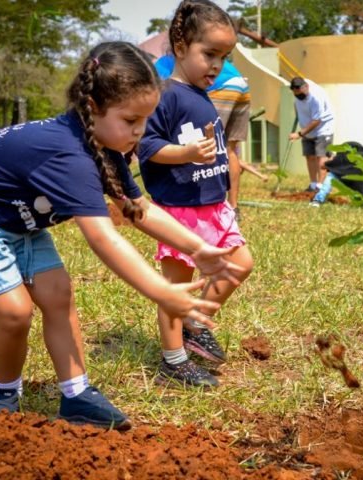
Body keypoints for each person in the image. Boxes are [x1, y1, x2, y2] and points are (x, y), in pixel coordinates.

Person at [0, 41, 243, 429]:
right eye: (131, 121)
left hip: (17, 217)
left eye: (146, 121)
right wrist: (162, 292)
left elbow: (138, 209)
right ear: (93, 106)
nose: (139, 132)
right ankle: (4, 395)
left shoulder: (104, 145)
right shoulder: (69, 155)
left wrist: (198, 248)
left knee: (58, 293)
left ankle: (76, 395)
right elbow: (104, 238)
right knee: (15, 312)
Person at [138, 0, 254, 388]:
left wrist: (227, 198)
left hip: (213, 208)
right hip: (179, 210)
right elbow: (146, 147)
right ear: (180, 44)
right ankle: (174, 359)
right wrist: (186, 153)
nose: (217, 65)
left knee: (240, 264)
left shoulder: (204, 96)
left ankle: (193, 321)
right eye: (209, 54)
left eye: (224, 57)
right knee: (177, 286)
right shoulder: (165, 95)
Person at [154, 55, 266, 220]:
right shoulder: (193, 54)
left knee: (208, 142)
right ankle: (233, 208)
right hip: (240, 84)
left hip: (220, 87)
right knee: (229, 149)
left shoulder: (162, 65)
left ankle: (205, 202)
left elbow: (160, 97)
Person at [287, 76, 335, 192]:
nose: (298, 95)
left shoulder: (316, 97)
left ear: (306, 87)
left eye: (300, 92)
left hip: (323, 128)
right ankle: (313, 184)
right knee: (309, 156)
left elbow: (317, 120)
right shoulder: (298, 92)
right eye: (295, 93)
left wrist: (299, 133)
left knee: (321, 157)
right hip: (307, 129)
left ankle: (320, 186)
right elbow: (297, 105)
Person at [309, 141, 363, 207]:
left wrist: (330, 162)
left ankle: (318, 200)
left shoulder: (343, 158)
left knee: (331, 175)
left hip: (358, 186)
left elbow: (324, 165)